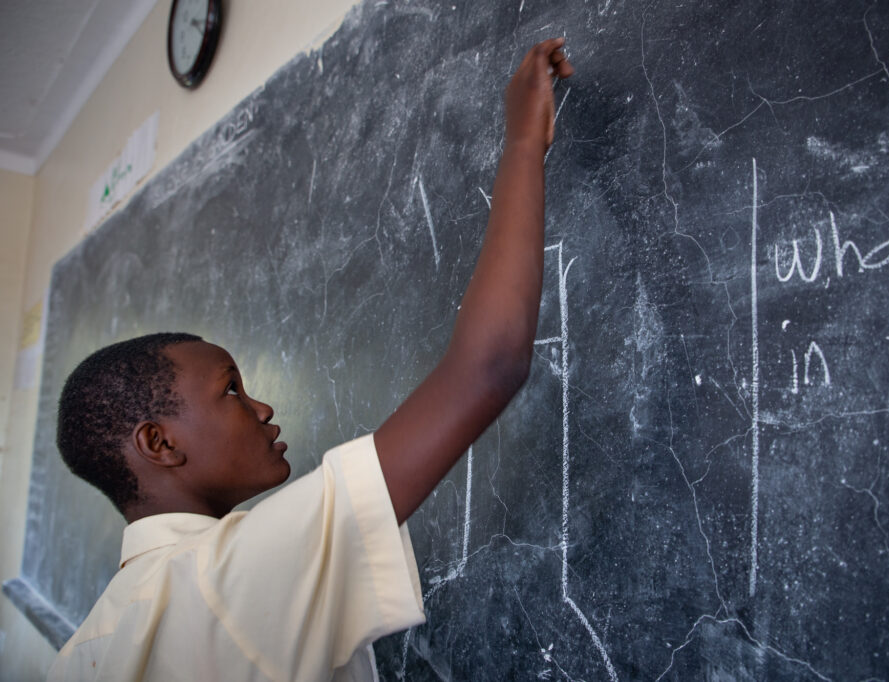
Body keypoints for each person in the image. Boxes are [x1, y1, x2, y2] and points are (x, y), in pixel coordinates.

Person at [46, 38, 574, 681]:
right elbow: (488, 366)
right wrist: (522, 143)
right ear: (157, 442)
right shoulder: (226, 581)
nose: (262, 406)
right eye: (231, 391)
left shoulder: (80, 655)